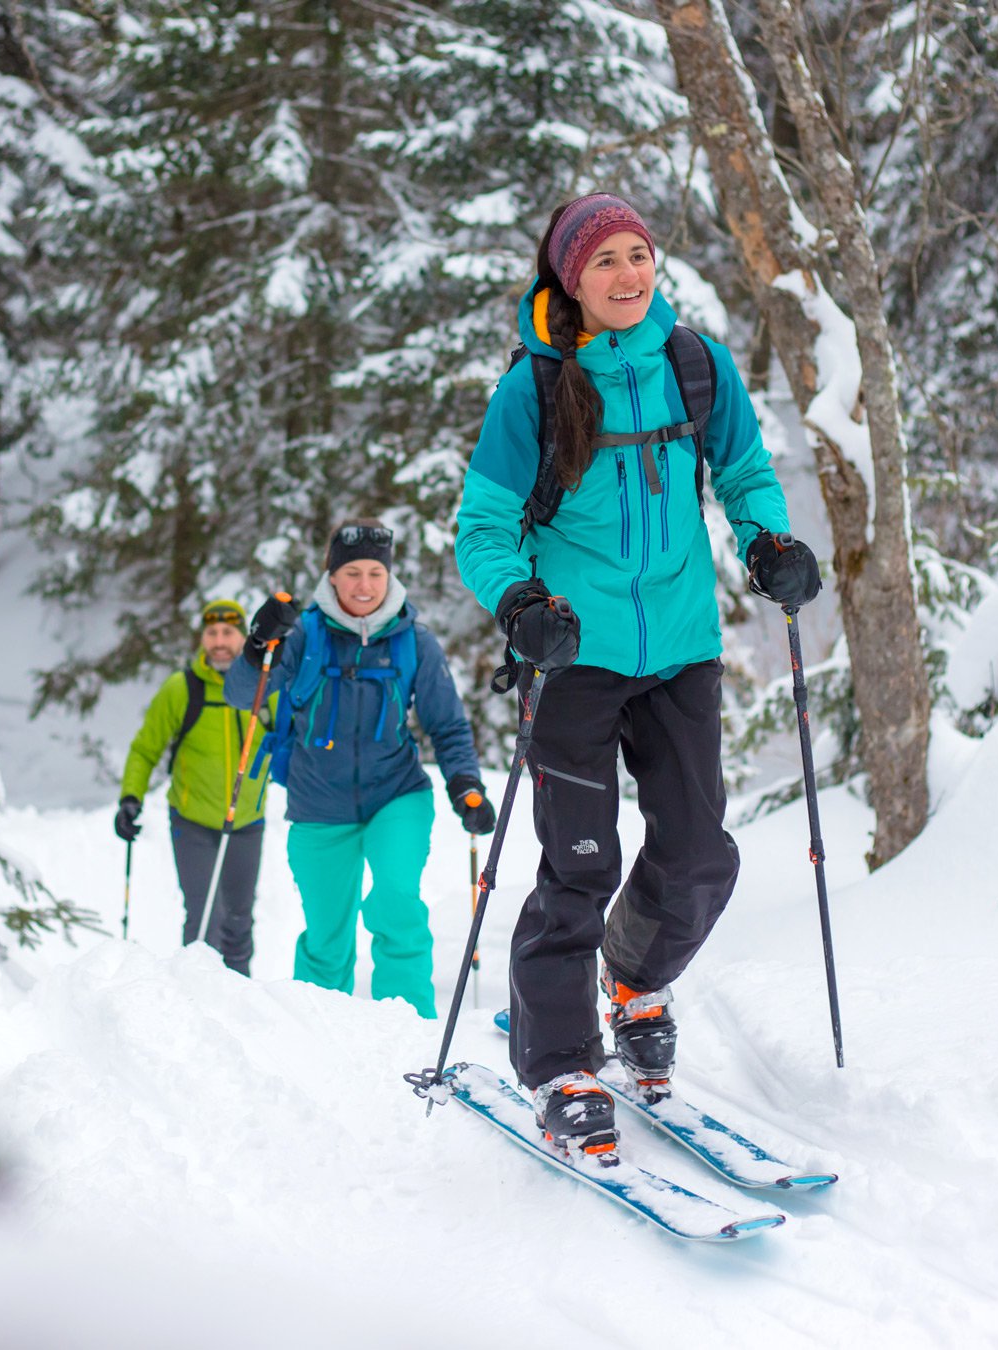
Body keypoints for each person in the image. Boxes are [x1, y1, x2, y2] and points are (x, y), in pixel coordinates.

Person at [453, 194, 824, 1159]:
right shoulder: (532, 390)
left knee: (702, 855)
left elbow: (744, 473)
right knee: (578, 864)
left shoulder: (693, 366)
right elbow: (484, 529)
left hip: (681, 651)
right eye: (605, 260)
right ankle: (563, 1063)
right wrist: (521, 603)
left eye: (639, 256)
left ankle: (633, 978)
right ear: (570, 278)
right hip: (573, 654)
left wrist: (768, 541)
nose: (627, 275)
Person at [232, 520, 495, 1018]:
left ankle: (410, 1027)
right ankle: (319, 1029)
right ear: (331, 577)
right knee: (327, 933)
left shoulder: (414, 641)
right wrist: (257, 645)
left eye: (375, 572)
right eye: (352, 572)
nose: (364, 584)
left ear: (389, 577)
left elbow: (448, 724)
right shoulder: (302, 635)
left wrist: (465, 783)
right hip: (317, 805)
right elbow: (242, 696)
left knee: (397, 902)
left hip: (396, 794)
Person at [115, 599, 271, 974]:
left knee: (238, 920)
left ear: (242, 637)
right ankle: (197, 1000)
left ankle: (239, 998)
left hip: (247, 821)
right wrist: (130, 797)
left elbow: (292, 738)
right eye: (212, 633)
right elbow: (145, 748)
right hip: (193, 821)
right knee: (204, 919)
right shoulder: (182, 688)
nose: (219, 641)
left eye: (228, 633)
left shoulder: (265, 686)